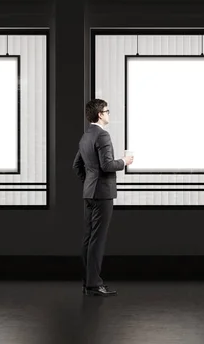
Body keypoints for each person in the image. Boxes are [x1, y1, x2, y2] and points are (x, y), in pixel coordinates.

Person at [72, 99, 134, 297]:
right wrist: (124, 161)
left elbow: (76, 166)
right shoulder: (102, 135)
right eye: (107, 111)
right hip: (102, 194)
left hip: (89, 193)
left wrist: (89, 182)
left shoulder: (86, 136)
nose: (108, 114)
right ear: (100, 114)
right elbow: (107, 166)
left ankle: (87, 282)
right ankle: (94, 284)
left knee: (89, 238)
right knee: (97, 240)